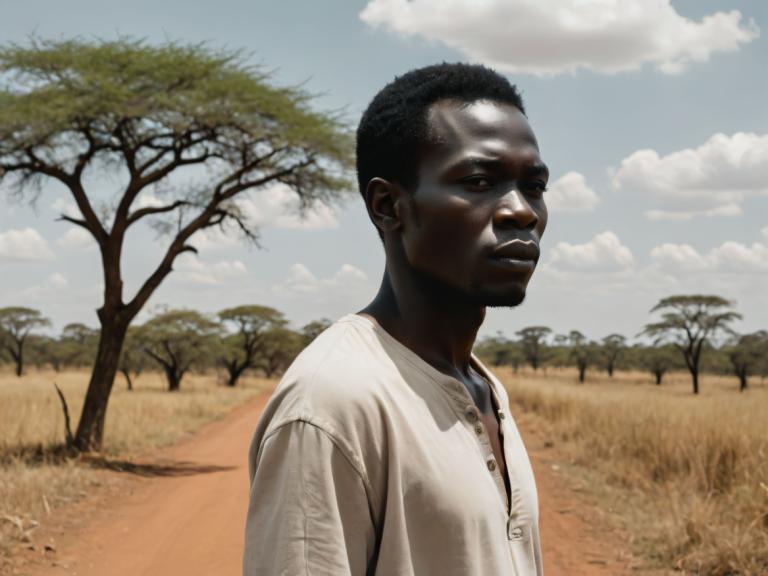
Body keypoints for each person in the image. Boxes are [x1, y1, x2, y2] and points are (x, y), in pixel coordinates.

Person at [243, 62, 549, 576]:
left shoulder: (482, 385)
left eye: (534, 186)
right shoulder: (333, 402)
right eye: (479, 181)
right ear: (388, 206)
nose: (521, 211)